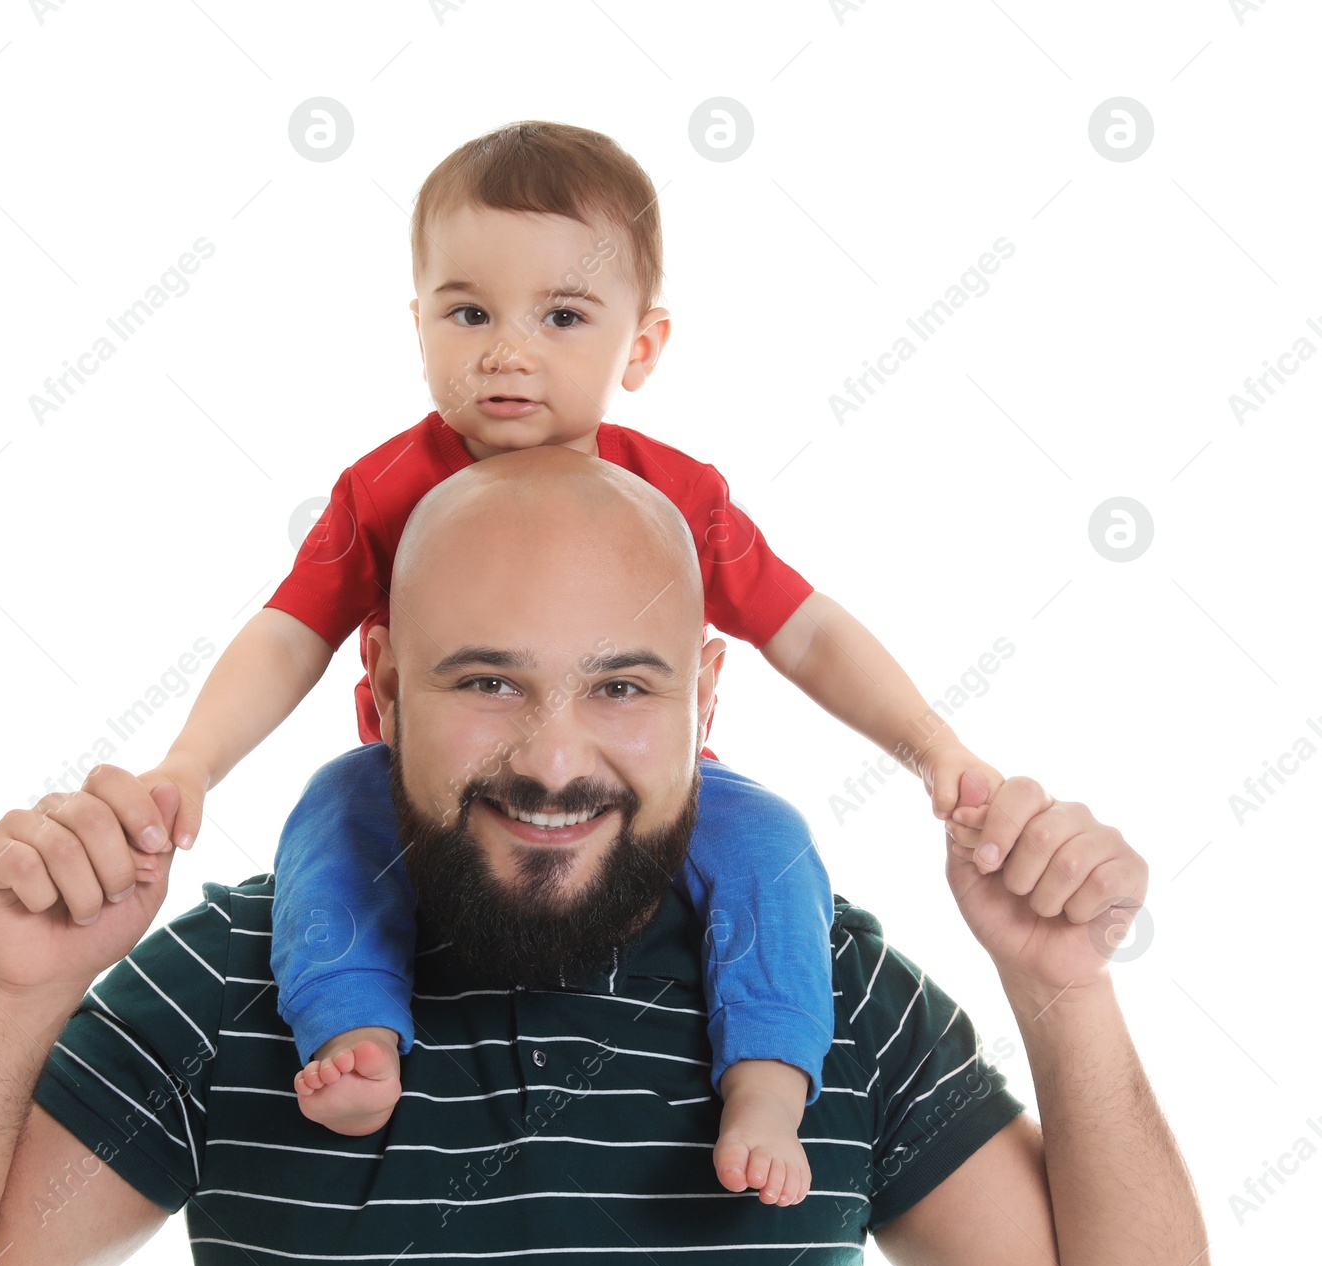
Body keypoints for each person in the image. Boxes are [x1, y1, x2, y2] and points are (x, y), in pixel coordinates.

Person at [0, 449, 1215, 1266]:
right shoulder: (238, 978)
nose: (554, 760)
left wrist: (1062, 991)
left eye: (622, 685)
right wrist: (20, 989)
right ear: (380, 690)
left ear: (705, 695)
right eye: (487, 683)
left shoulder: (827, 992)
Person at [126, 120, 1008, 1203]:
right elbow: (287, 633)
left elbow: (805, 627)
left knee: (772, 842)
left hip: (640, 800)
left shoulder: (675, 497)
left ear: (639, 346)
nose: (507, 348)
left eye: (561, 315)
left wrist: (931, 746)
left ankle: (770, 1082)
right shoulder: (383, 490)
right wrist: (189, 764)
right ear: (418, 327)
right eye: (468, 313)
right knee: (329, 819)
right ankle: (355, 1027)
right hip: (436, 802)